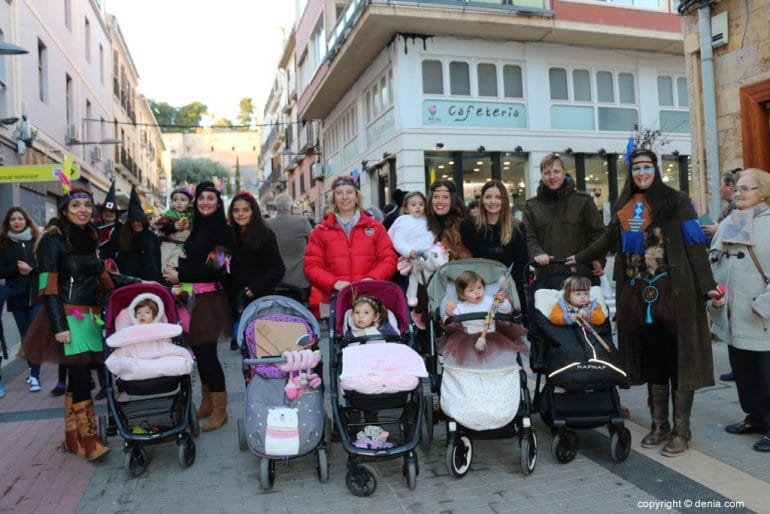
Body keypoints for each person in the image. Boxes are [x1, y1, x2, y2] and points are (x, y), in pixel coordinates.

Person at [566, 149, 724, 457]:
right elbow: (608, 239)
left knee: (680, 360)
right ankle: (659, 425)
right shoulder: (626, 205)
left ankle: (682, 430)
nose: (641, 172)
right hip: (640, 295)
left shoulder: (677, 201)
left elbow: (694, 246)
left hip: (675, 293)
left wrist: (708, 287)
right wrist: (581, 257)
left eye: (646, 166)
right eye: (636, 167)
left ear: (656, 168)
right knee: (655, 359)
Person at [20, 186, 137, 460]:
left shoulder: (89, 237)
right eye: (76, 206)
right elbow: (47, 286)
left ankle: (71, 438)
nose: (83, 210)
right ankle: (88, 439)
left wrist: (138, 284)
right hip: (68, 318)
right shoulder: (53, 240)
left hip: (91, 317)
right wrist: (59, 325)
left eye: (86, 205)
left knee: (77, 377)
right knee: (83, 376)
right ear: (64, 210)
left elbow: (103, 276)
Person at [162, 181, 233, 432]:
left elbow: (216, 267)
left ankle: (220, 408)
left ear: (218, 202)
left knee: (208, 355)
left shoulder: (223, 230)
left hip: (209, 300)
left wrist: (180, 273)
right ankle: (206, 401)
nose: (205, 202)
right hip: (191, 298)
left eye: (210, 198)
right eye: (201, 198)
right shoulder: (196, 226)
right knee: (200, 355)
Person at [708, 169, 770, 452]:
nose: (739, 193)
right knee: (743, 372)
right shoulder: (729, 223)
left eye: (747, 188)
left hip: (761, 317)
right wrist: (713, 294)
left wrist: (763, 306)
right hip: (732, 314)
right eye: (737, 189)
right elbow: (714, 262)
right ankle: (755, 417)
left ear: (764, 193)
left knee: (766, 375)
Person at [304, 176, 397, 318]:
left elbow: (388, 258)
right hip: (334, 299)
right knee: (338, 338)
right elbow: (311, 266)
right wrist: (335, 283)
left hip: (370, 298)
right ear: (333, 198)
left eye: (349, 192)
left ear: (357, 196)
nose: (345, 197)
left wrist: (372, 278)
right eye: (339, 193)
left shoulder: (375, 227)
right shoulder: (320, 231)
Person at [523, 153, 605, 287]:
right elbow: (528, 237)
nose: (552, 176)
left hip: (581, 277)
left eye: (556, 171)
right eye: (547, 172)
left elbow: (598, 234)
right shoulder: (532, 206)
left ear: (564, 173)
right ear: (542, 176)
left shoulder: (583, 200)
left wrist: (598, 259)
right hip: (547, 277)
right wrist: (537, 254)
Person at [226, 191, 285, 348]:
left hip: (259, 302)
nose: (240, 214)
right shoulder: (228, 235)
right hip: (235, 304)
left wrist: (255, 288)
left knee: (263, 350)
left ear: (253, 211)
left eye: (245, 210)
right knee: (245, 352)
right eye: (236, 210)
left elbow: (278, 268)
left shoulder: (264, 235)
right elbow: (219, 266)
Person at [460, 180, 528, 313]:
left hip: (505, 289)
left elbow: (521, 265)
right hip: (476, 289)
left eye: (498, 197)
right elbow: (466, 258)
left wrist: (518, 299)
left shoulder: (516, 228)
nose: (493, 201)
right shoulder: (469, 226)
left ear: (505, 201)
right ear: (482, 199)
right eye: (488, 197)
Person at [440, 270, 526, 366]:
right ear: (463, 295)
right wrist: (448, 313)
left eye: (479, 288)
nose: (477, 292)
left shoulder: (491, 301)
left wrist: (502, 302)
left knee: (500, 357)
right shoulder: (460, 307)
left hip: (493, 335)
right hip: (467, 338)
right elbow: (448, 322)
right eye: (471, 290)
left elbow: (506, 311)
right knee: (470, 361)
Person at [104, 293, 193, 382]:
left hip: (159, 351)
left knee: (178, 356)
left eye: (147, 312)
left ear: (155, 315)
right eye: (139, 313)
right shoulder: (130, 331)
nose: (142, 315)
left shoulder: (161, 328)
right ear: (134, 315)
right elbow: (123, 347)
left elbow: (166, 345)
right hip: (137, 353)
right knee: (120, 360)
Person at [0, 207, 42, 395]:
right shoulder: (3, 243)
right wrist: (17, 270)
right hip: (16, 296)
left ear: (26, 221)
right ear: (8, 223)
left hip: (36, 295)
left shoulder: (37, 241)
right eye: (13, 220)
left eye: (20, 219)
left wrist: (31, 269)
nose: (17, 222)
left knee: (34, 335)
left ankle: (35, 375)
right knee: (25, 337)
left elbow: (46, 266)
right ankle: (32, 369)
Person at [266, 193, 313, 297]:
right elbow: (315, 242)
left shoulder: (267, 224)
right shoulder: (302, 221)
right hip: (300, 280)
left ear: (276, 208)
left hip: (275, 281)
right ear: (291, 207)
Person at [115, 186, 161, 282]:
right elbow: (121, 263)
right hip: (130, 282)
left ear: (143, 221)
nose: (136, 223)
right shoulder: (125, 238)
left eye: (138, 220)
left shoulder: (152, 237)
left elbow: (157, 260)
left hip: (150, 282)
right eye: (133, 221)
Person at [388, 191, 434, 273]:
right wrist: (408, 251)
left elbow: (432, 237)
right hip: (412, 259)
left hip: (430, 257)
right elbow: (398, 242)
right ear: (406, 209)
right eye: (413, 205)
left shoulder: (428, 220)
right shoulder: (403, 221)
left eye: (421, 204)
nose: (418, 207)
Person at [426, 179, 472, 261]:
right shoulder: (424, 222)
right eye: (436, 196)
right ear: (431, 200)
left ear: (452, 200)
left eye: (445, 197)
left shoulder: (463, 224)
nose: (440, 201)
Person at [153, 186, 193, 270]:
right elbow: (157, 228)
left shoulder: (191, 216)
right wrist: (172, 226)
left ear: (189, 202)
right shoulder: (168, 214)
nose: (179, 203)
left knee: (182, 271)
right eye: (175, 200)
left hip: (184, 248)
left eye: (183, 200)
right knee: (168, 270)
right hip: (170, 247)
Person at [96, 182, 122, 261]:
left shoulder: (122, 229)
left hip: (115, 266)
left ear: (116, 214)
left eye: (112, 211)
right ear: (101, 213)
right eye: (106, 211)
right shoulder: (94, 228)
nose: (108, 213)